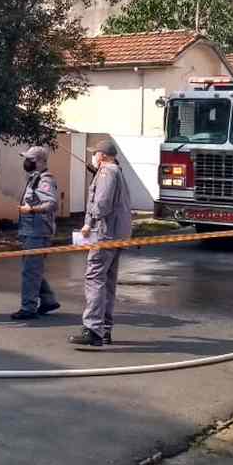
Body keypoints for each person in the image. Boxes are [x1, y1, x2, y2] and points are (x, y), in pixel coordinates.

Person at [69, 140, 132, 349]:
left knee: (95, 279)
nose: (93, 157)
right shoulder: (117, 172)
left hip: (104, 235)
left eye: (94, 154)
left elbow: (102, 204)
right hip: (117, 235)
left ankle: (92, 329)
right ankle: (104, 329)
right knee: (108, 282)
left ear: (102, 156)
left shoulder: (106, 173)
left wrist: (89, 224)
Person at [11, 145, 62, 320]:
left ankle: (28, 308)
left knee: (30, 271)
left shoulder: (45, 180)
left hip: (38, 232)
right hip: (31, 231)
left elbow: (51, 204)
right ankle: (48, 300)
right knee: (33, 269)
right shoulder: (35, 178)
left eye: (30, 160)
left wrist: (31, 210)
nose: (26, 162)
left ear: (40, 161)